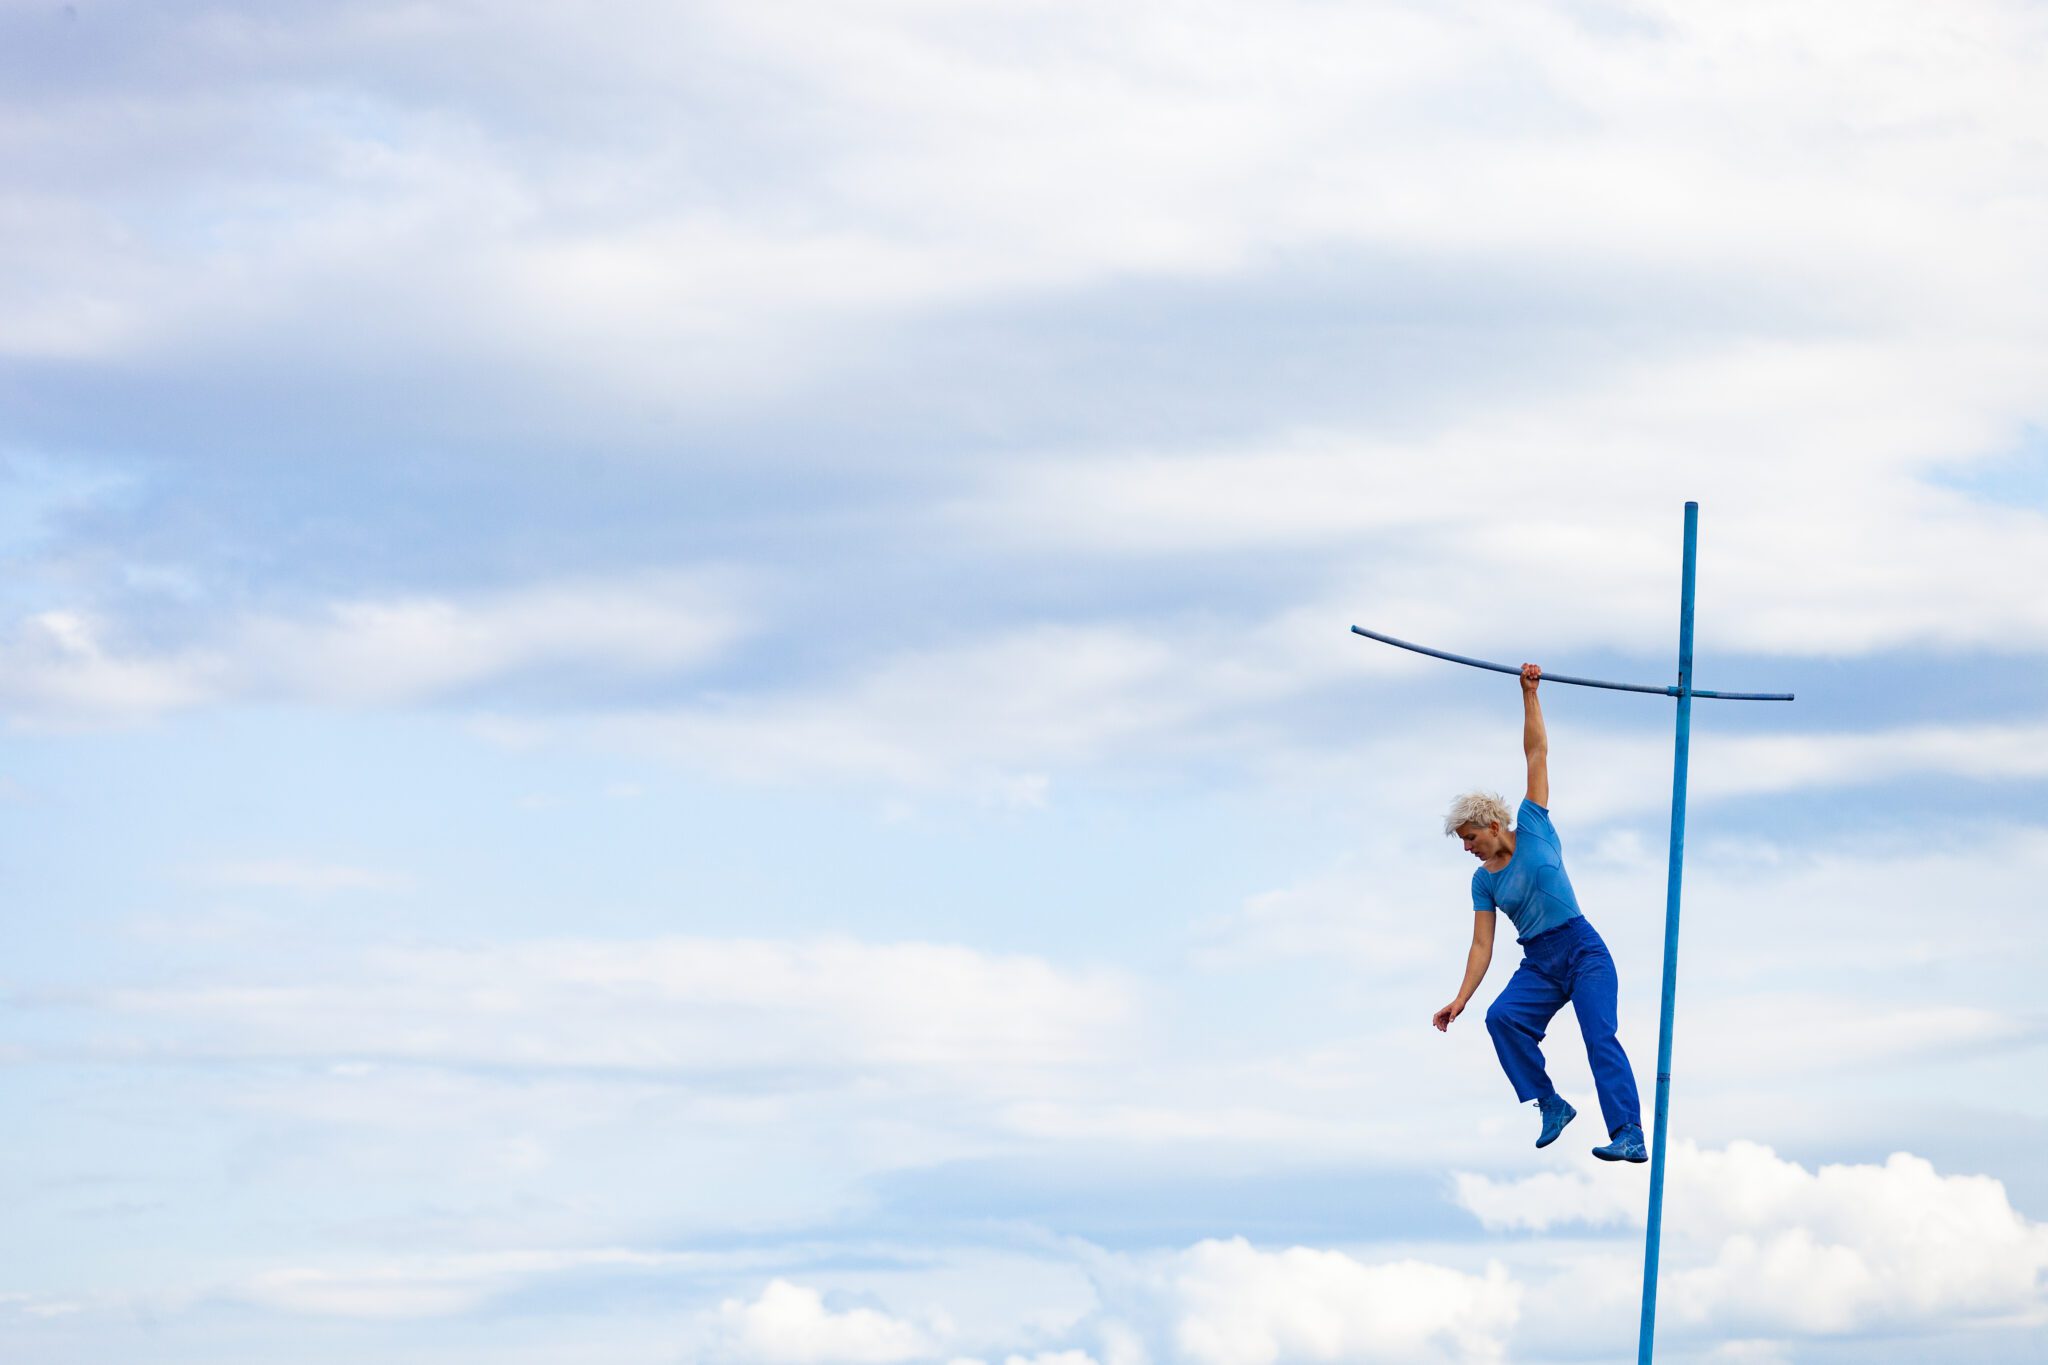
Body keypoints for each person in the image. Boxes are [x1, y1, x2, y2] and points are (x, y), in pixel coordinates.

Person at [1431, 664, 1647, 1162]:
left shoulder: (1533, 825)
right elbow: (1481, 945)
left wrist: (1530, 694)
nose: (1467, 848)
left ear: (1490, 823)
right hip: (1540, 962)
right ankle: (1550, 1103)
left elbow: (1536, 753)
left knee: (1599, 1037)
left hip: (1582, 949)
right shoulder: (1483, 880)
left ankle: (1629, 1133)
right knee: (1502, 1017)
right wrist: (1460, 998)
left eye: (1469, 838)